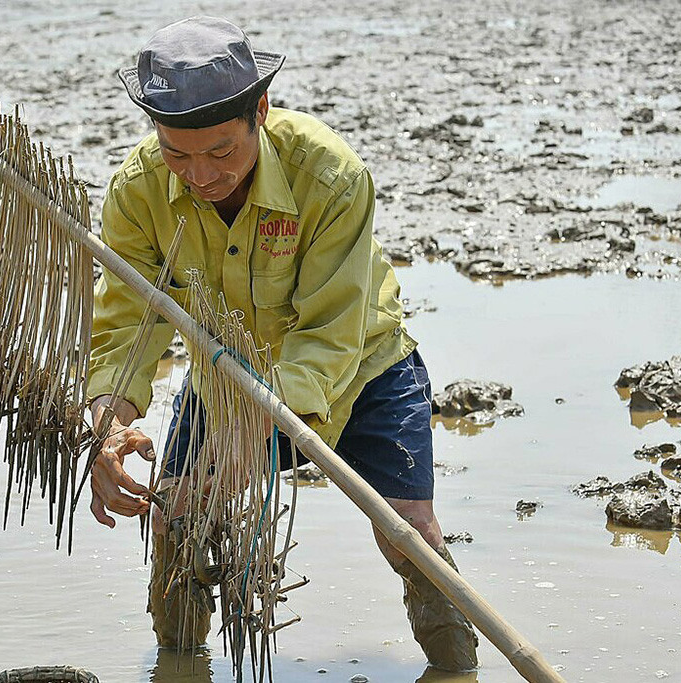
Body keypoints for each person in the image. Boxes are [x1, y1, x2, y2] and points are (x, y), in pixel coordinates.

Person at [85, 16, 478, 673]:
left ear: (260, 112)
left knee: (407, 529)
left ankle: (457, 664)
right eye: (177, 154)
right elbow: (126, 323)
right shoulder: (138, 192)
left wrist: (254, 437)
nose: (200, 174)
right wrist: (105, 425)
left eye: (219, 151)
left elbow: (329, 332)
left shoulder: (328, 174)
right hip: (227, 377)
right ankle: (179, 662)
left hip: (364, 366)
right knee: (177, 517)